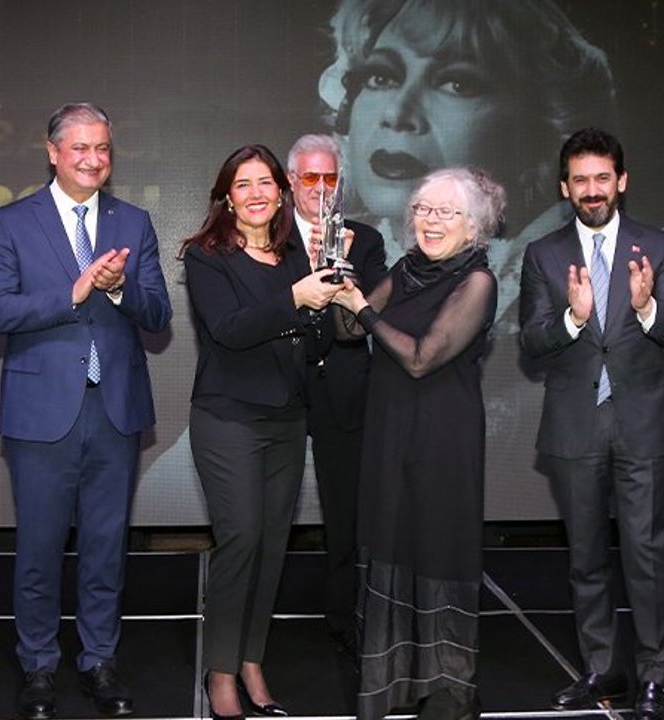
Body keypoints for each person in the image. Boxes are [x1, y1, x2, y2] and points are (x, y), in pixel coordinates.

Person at [0, 102, 172, 720]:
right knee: (39, 548)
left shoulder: (133, 221)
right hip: (42, 413)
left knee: (105, 547)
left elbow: (158, 314)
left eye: (103, 149)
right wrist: (75, 291)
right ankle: (38, 665)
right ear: (53, 152)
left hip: (114, 410)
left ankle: (98, 660)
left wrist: (118, 290)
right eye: (80, 148)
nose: (93, 159)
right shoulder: (13, 221)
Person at [519, 128, 664, 720]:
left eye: (601, 178)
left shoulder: (658, 247)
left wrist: (646, 308)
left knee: (646, 555)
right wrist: (572, 318)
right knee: (585, 558)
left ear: (621, 181)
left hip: (642, 424)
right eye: (580, 180)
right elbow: (532, 341)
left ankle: (654, 675)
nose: (592, 190)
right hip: (575, 427)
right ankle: (602, 669)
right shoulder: (542, 254)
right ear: (564, 188)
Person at [320, 0, 614, 332]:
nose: (397, 113)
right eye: (381, 76)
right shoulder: (332, 253)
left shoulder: (564, 282)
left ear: (536, 133)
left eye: (457, 84)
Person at [331, 167, 504, 720]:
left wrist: (361, 307)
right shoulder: (405, 269)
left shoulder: (477, 282)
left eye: (447, 212)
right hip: (390, 430)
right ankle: (397, 681)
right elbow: (347, 331)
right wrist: (340, 281)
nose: (431, 221)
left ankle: (449, 688)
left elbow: (420, 357)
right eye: (423, 209)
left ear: (473, 227)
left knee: (438, 547)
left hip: (443, 438)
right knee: (392, 543)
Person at [181, 144, 343, 720]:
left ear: (281, 193)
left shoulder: (298, 254)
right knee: (242, 541)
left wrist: (332, 295)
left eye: (265, 183)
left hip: (287, 420)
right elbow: (229, 330)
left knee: (273, 546)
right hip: (228, 419)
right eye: (243, 184)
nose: (255, 193)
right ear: (228, 197)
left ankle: (252, 661)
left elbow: (320, 341)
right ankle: (221, 672)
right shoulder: (206, 257)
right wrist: (295, 298)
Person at [285, 133, 387, 655]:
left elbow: (374, 312)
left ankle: (344, 614)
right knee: (266, 512)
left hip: (345, 391)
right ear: (291, 181)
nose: (321, 189)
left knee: (346, 513)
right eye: (311, 177)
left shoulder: (364, 240)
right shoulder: (268, 235)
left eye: (330, 178)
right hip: (279, 388)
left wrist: (344, 269)